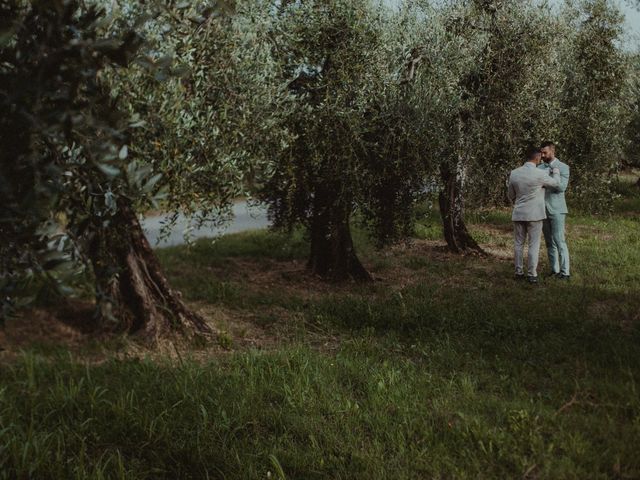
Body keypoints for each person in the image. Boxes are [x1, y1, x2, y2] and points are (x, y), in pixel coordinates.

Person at [508, 147, 561, 284]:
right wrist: (555, 171)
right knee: (533, 245)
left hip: (519, 213)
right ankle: (532, 274)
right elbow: (556, 184)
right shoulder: (540, 173)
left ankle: (518, 272)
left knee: (518, 244)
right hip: (535, 214)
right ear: (537, 158)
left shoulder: (514, 173)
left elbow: (510, 195)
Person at [539, 141, 571, 280]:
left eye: (545, 152)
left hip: (557, 209)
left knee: (559, 240)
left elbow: (561, 187)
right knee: (549, 242)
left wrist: (545, 183)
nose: (542, 155)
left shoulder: (563, 167)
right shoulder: (539, 167)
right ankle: (554, 269)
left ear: (552, 151)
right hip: (542, 208)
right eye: (541, 153)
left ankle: (565, 272)